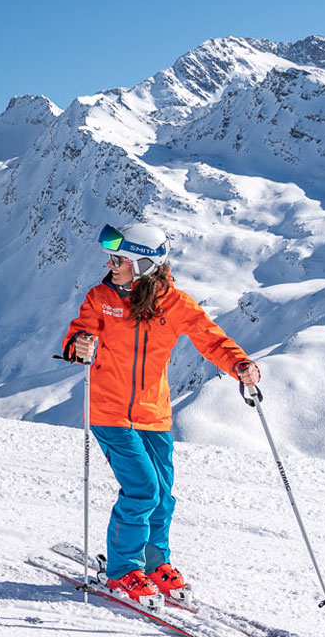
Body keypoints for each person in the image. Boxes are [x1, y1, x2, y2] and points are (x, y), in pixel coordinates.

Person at [60, 221, 263, 608]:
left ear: (142, 264)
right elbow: (77, 337)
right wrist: (80, 346)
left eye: (118, 258)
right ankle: (122, 570)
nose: (110, 263)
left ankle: (154, 564)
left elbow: (212, 339)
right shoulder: (100, 297)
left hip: (155, 414)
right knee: (142, 489)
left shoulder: (175, 304)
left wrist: (239, 364)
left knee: (163, 496)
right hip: (110, 411)